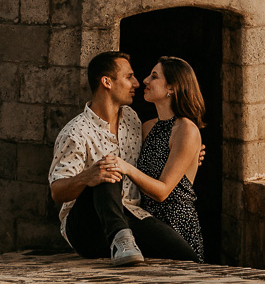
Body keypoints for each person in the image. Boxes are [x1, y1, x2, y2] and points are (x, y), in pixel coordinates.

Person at [49, 52, 199, 266]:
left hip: (132, 215)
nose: (137, 83)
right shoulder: (76, 132)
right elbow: (56, 191)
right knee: (108, 169)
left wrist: (193, 152)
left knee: (187, 258)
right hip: (88, 228)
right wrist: (87, 177)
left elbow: (164, 147)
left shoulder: (132, 119)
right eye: (129, 77)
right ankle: (120, 239)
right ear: (107, 82)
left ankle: (124, 240)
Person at [116, 57, 206, 261]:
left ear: (172, 88)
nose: (145, 80)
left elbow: (163, 191)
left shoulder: (186, 129)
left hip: (176, 225)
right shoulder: (147, 127)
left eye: (154, 76)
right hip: (147, 224)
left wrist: (126, 168)